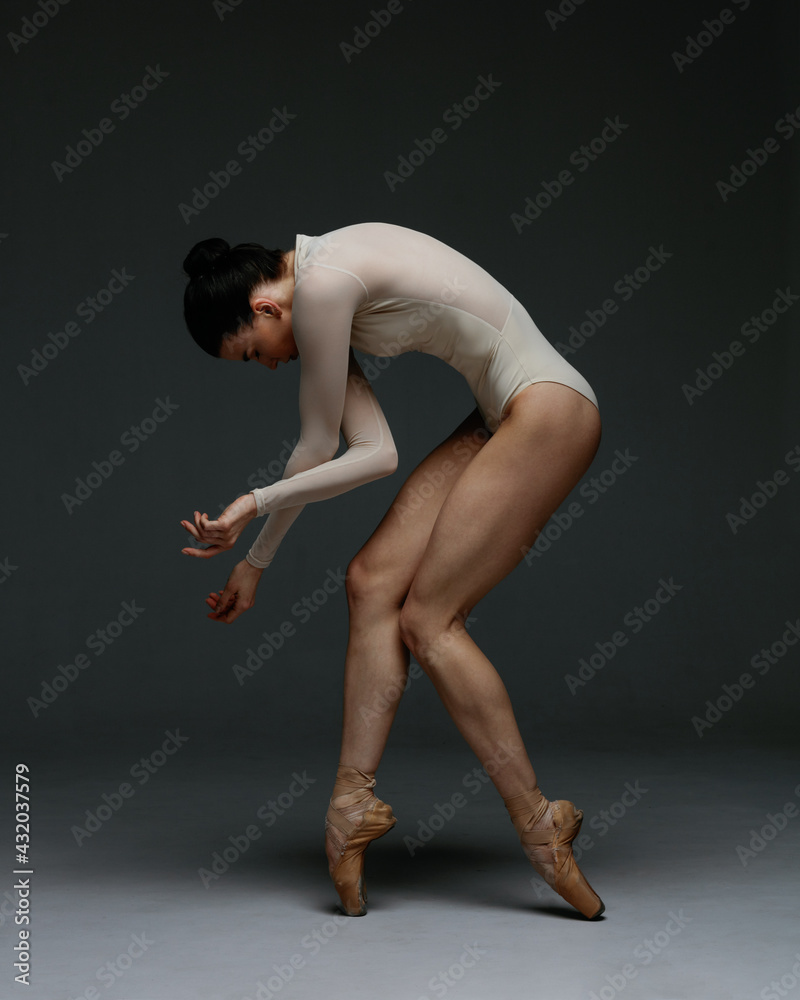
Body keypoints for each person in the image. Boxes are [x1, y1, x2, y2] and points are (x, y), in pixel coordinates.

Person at [180, 221, 605, 920]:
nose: (268, 367)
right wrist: (255, 561)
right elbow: (330, 448)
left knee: (429, 619)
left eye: (255, 353)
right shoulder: (317, 295)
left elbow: (368, 460)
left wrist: (252, 505)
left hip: (550, 406)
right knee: (372, 581)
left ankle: (541, 824)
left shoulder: (325, 282)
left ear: (265, 309)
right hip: (501, 415)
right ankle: (352, 807)